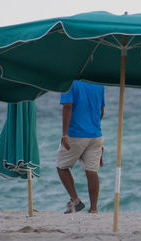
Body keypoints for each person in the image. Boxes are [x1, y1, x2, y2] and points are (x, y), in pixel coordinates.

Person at [57, 80, 105, 214]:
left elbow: (67, 107)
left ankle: (75, 201)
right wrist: (93, 125)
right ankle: (94, 209)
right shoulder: (99, 84)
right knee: (92, 171)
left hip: (76, 134)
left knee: (61, 166)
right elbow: (101, 110)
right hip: (96, 135)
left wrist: (65, 134)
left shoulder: (70, 83)